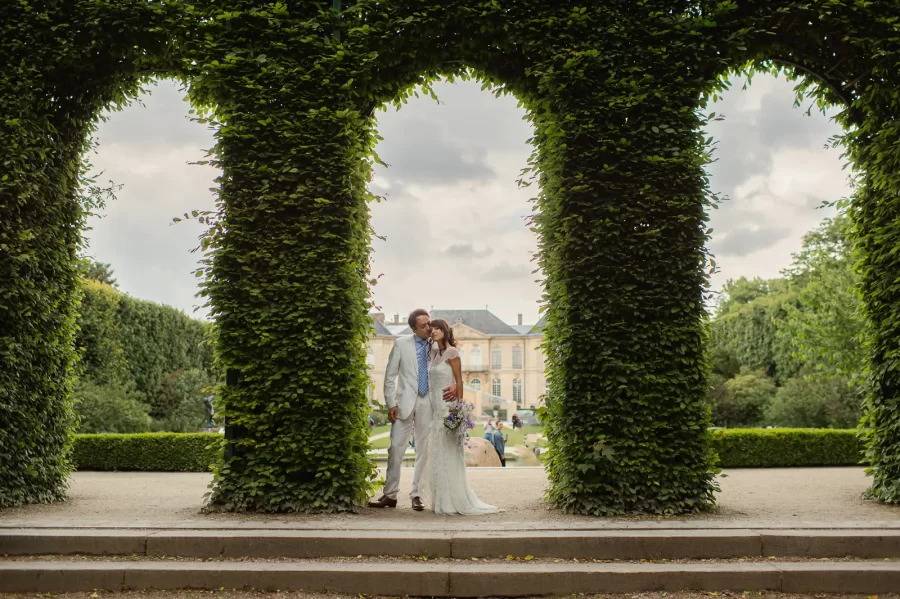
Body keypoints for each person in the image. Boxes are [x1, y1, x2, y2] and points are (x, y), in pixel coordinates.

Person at [368, 309, 456, 511]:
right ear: (414, 328)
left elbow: (451, 367)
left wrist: (454, 385)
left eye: (429, 324)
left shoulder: (437, 345)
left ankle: (417, 494)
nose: (429, 328)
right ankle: (390, 495)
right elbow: (390, 376)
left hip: (429, 402)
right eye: (424, 325)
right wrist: (391, 403)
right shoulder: (401, 344)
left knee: (423, 451)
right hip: (403, 403)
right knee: (395, 449)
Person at [420, 319, 503, 515]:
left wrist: (458, 411)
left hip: (448, 408)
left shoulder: (452, 352)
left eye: (438, 329)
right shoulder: (433, 352)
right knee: (436, 453)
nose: (434, 332)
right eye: (432, 329)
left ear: (446, 331)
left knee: (450, 452)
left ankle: (452, 500)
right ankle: (439, 498)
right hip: (434, 408)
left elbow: (459, 382)